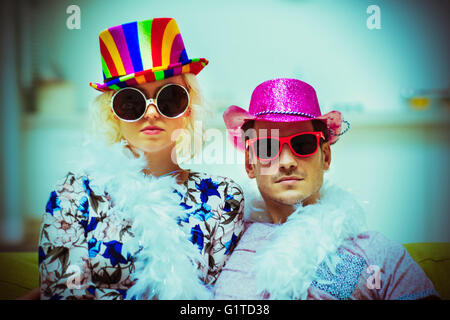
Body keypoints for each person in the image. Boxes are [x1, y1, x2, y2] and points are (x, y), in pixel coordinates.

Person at [37, 18, 244, 300]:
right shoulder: (73, 194)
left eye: (169, 98)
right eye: (131, 101)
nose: (150, 113)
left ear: (188, 108)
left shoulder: (223, 198)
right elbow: (63, 294)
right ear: (112, 112)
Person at [214, 78, 439, 300]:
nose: (286, 162)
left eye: (303, 143)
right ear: (249, 164)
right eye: (267, 146)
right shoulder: (220, 242)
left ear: (326, 157)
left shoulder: (377, 253)